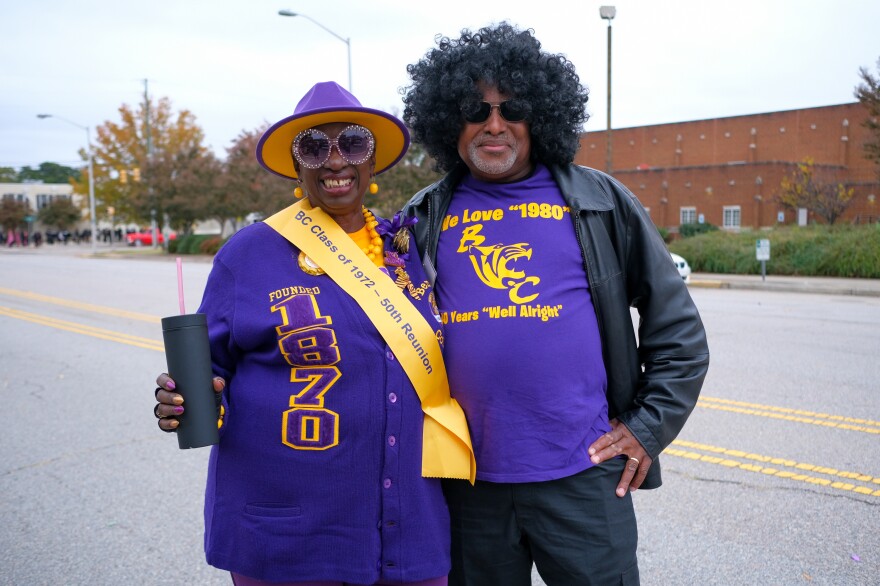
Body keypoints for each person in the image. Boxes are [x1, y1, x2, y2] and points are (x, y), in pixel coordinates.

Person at [400, 23, 710, 585]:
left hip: (585, 478)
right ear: (450, 121)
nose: (494, 124)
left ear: (538, 114)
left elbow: (679, 331)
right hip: (468, 486)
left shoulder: (600, 201)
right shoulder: (422, 216)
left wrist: (646, 428)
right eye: (476, 108)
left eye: (511, 107)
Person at [153, 81, 475, 586]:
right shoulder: (249, 254)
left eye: (352, 143)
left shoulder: (406, 250)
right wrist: (188, 402)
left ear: (373, 164)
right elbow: (207, 373)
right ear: (296, 165)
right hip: (291, 533)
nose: (335, 161)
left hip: (408, 523)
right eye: (313, 147)